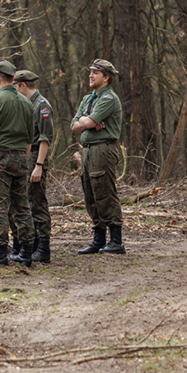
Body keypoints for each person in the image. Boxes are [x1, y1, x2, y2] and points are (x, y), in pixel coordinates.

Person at [0, 60, 36, 268]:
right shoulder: (26, 102)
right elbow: (30, 136)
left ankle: (0, 252)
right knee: (22, 205)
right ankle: (26, 252)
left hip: (0, 158)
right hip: (21, 157)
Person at [70, 59, 125, 254]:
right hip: (87, 151)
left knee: (105, 193)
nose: (91, 76)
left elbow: (88, 122)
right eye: (90, 72)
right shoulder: (88, 99)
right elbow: (74, 125)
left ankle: (116, 241)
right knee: (90, 194)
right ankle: (99, 239)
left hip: (103, 149)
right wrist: (88, 121)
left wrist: (88, 121)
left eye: (95, 73)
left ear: (106, 77)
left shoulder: (108, 98)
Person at [15, 70, 55, 263]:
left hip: (37, 157)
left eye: (15, 86)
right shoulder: (27, 104)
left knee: (37, 201)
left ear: (22, 85)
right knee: (28, 201)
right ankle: (35, 243)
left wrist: (39, 165)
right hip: (27, 157)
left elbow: (45, 138)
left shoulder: (41, 105)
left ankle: (44, 247)